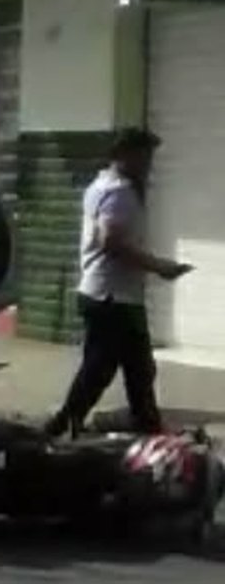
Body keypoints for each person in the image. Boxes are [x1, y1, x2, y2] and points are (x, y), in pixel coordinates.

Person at [45, 128, 194, 438]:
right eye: (143, 156)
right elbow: (110, 241)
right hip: (112, 297)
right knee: (101, 369)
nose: (148, 163)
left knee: (137, 367)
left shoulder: (103, 184)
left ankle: (146, 423)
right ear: (123, 155)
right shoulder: (120, 191)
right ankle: (62, 422)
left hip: (110, 294)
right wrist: (159, 267)